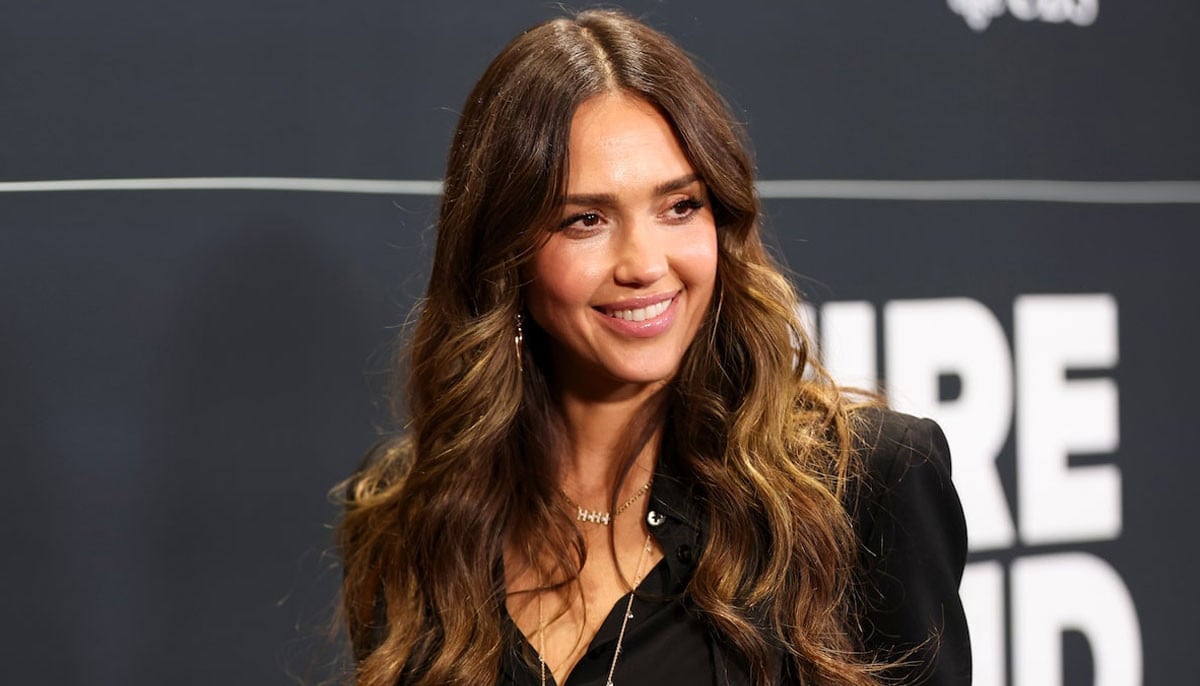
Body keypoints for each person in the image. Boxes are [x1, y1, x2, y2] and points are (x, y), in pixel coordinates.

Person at [337, 8, 970, 686]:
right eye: (586, 219)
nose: (644, 264)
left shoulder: (863, 485)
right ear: (504, 254)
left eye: (680, 207)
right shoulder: (410, 513)